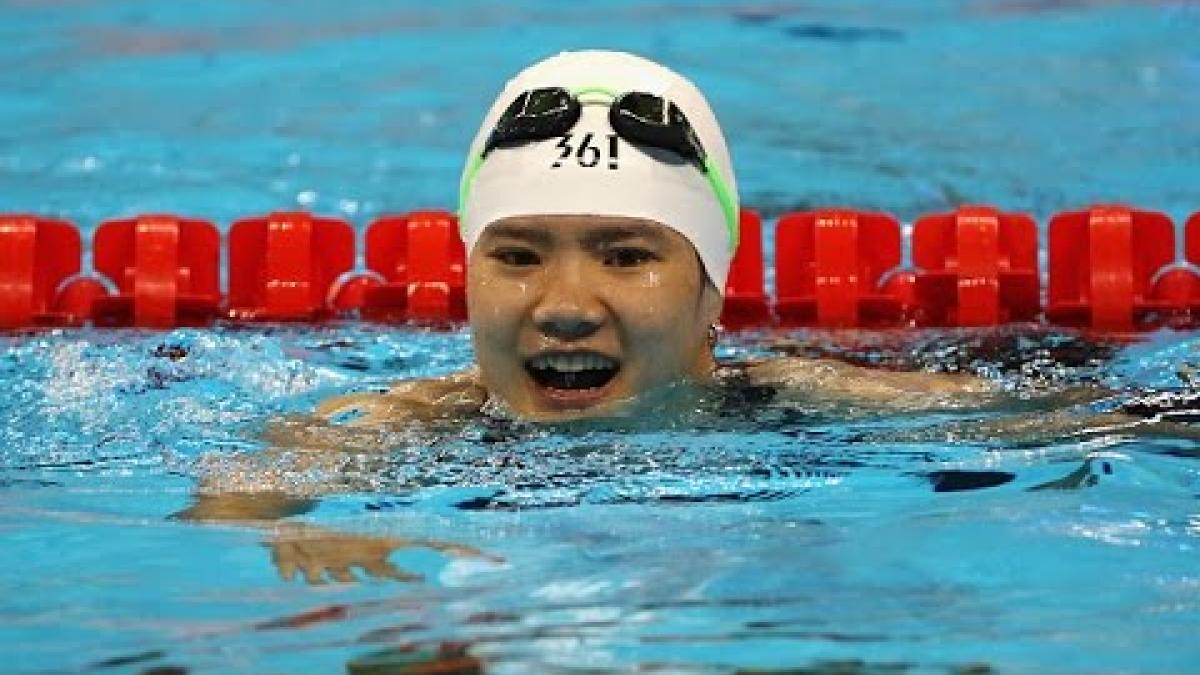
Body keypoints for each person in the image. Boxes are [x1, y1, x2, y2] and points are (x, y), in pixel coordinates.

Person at [176, 50, 1195, 583]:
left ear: (714, 292)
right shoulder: (419, 418)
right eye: (518, 256)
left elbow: (1087, 418)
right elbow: (243, 489)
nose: (566, 308)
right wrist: (282, 540)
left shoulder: (802, 399)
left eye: (628, 256)